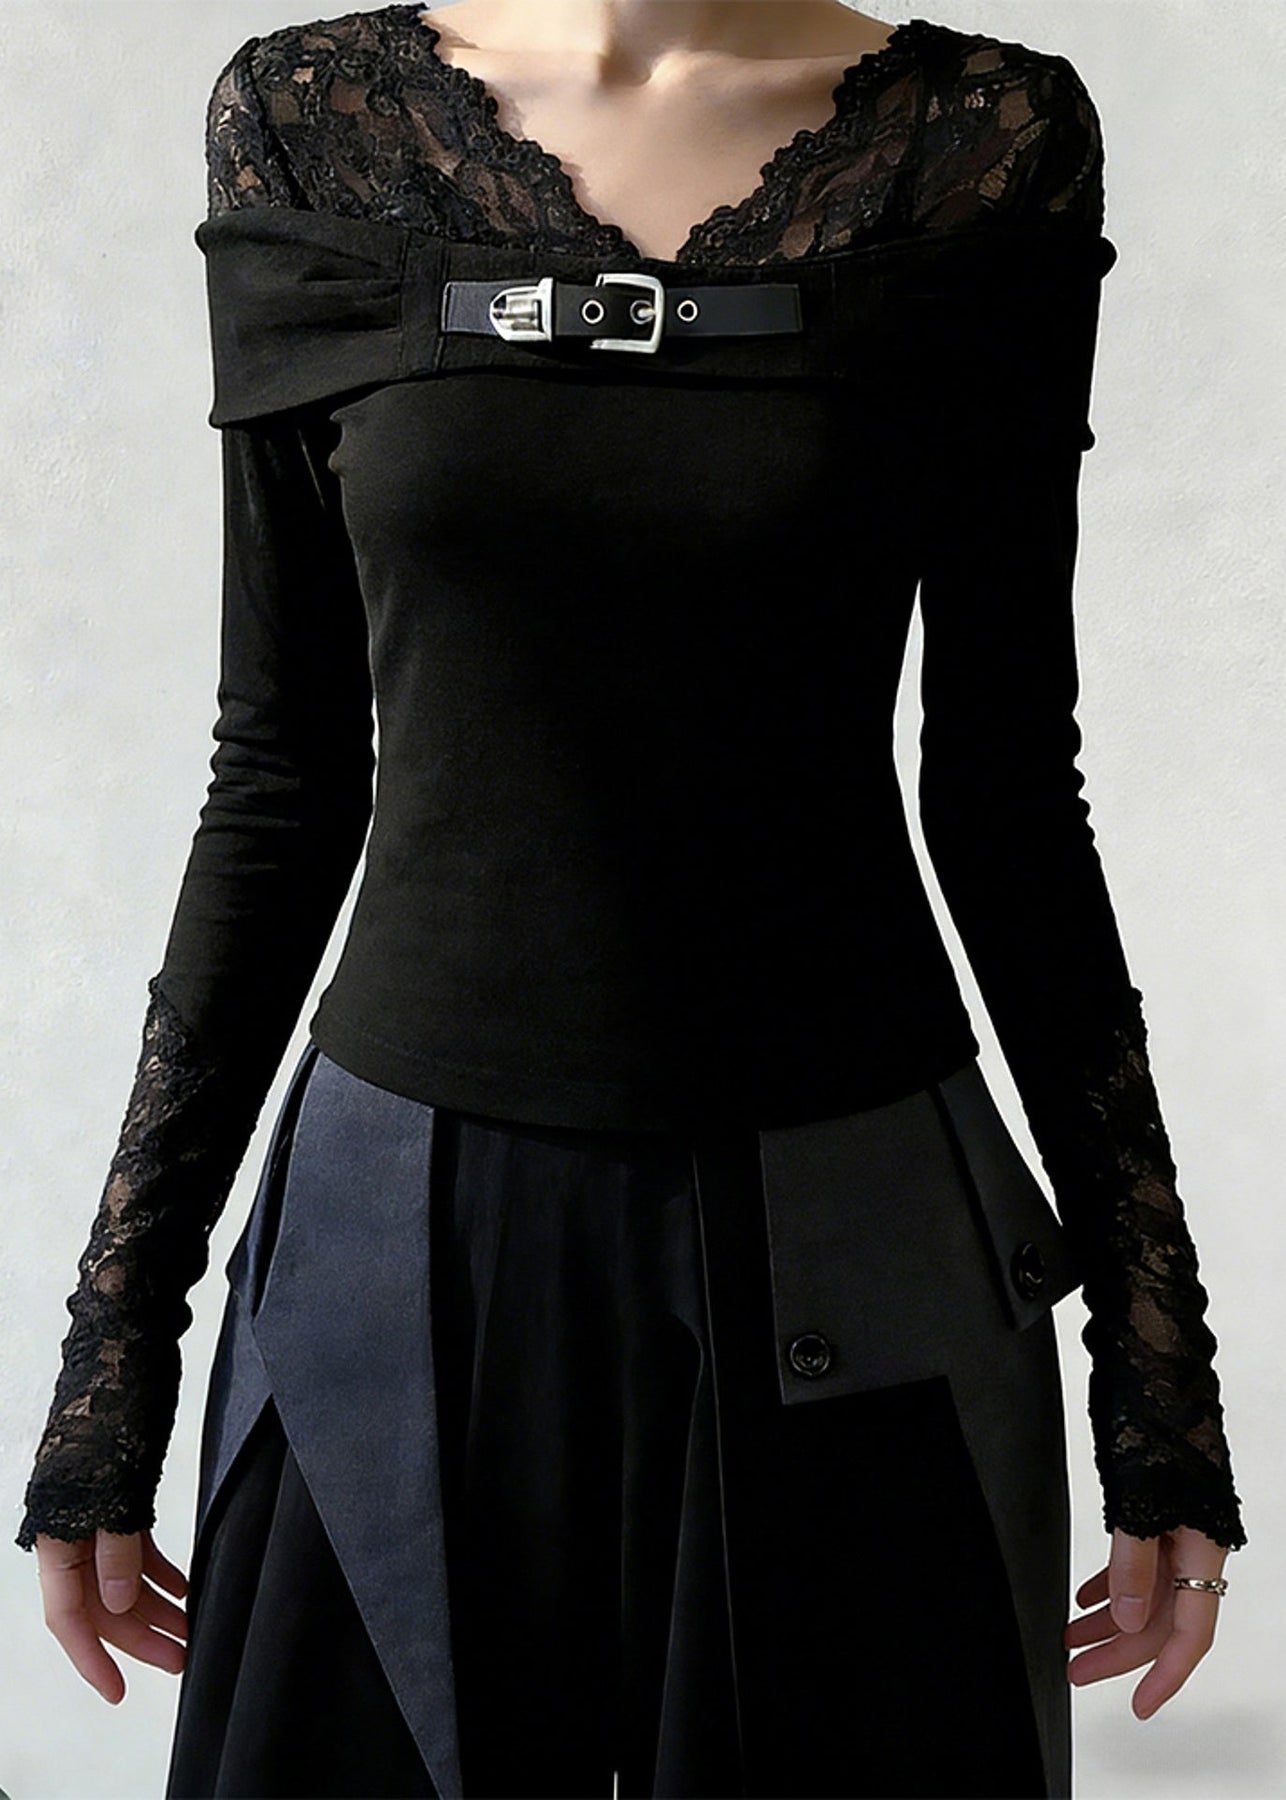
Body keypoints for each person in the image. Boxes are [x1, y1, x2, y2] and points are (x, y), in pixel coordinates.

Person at [17, 4, 1246, 1796]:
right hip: (394, 1254)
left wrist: (1157, 1387)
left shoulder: (981, 140)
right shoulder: (309, 122)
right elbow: (279, 774)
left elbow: (1006, 797)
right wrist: (112, 1363)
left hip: (856, 1251)